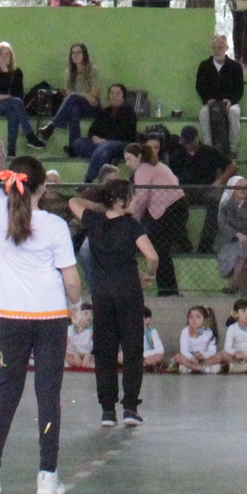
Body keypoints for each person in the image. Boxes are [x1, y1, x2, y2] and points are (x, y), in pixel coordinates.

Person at [0, 110, 82, 494]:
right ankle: (47, 476)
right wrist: (77, 304)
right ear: (42, 187)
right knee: (48, 397)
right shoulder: (55, 226)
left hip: (12, 318)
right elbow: (71, 280)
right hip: (51, 319)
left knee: (6, 394)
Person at [69, 178, 156, 426]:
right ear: (119, 200)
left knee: (105, 350)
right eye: (131, 195)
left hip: (102, 294)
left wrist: (102, 207)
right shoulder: (132, 226)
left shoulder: (94, 221)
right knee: (132, 350)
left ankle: (107, 410)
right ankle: (130, 407)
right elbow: (152, 256)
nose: (136, 200)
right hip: (128, 292)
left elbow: (73, 201)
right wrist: (148, 274)